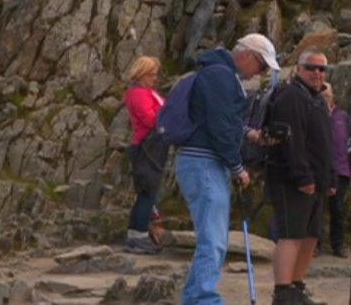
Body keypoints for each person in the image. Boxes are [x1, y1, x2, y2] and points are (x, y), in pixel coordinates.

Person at [176, 33, 279, 305]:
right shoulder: (222, 76)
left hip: (201, 160)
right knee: (213, 238)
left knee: (213, 236)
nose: (261, 72)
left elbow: (219, 120)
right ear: (247, 55)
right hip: (205, 162)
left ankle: (197, 296)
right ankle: (203, 299)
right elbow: (220, 126)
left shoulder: (217, 74)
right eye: (262, 65)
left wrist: (248, 134)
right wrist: (237, 166)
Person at [265, 48, 335, 305]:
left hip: (316, 179)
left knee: (311, 234)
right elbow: (291, 141)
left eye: (321, 68)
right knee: (292, 233)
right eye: (310, 67)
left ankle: (296, 286)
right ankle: (283, 292)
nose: (316, 73)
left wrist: (329, 179)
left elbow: (325, 144)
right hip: (291, 180)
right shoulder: (291, 96)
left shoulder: (316, 99)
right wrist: (302, 176)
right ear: (298, 68)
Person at [123, 56, 166, 254]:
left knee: (147, 193)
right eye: (151, 74)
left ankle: (136, 235)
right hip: (145, 147)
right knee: (146, 193)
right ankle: (137, 236)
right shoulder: (139, 94)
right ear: (142, 74)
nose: (155, 78)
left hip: (151, 147)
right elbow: (151, 119)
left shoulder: (146, 93)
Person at [323, 83, 351, 258]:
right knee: (317, 209)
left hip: (341, 169)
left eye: (327, 93)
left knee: (337, 209)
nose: (324, 96)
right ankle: (315, 245)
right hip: (320, 169)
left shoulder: (343, 117)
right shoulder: (315, 112)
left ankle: (338, 245)